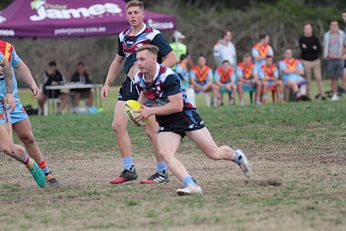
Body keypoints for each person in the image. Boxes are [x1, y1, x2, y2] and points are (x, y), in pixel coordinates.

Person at [133, 45, 252, 195]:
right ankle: (191, 184)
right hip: (167, 122)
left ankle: (237, 156)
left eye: (142, 59)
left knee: (214, 153)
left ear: (153, 59)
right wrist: (137, 109)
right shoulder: (139, 77)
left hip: (185, 117)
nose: (139, 63)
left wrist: (150, 111)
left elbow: (177, 106)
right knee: (165, 153)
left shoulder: (168, 77)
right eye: (137, 59)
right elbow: (145, 91)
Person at [100, 0, 177, 185]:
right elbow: (118, 61)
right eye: (130, 13)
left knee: (151, 131)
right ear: (126, 16)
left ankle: (162, 172)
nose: (133, 16)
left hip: (147, 87)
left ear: (143, 15)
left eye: (136, 12)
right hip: (128, 85)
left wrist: (153, 74)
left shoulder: (153, 35)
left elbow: (172, 57)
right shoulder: (123, 36)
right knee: (117, 126)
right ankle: (129, 170)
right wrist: (107, 83)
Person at [0, 40, 59, 186]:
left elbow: (19, 66)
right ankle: (30, 163)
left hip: (12, 100)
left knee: (27, 137)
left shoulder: (7, 48)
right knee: (7, 147)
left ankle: (46, 173)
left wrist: (32, 84)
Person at [299, 23, 326, 100]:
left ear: (311, 30)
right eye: (306, 29)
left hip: (316, 61)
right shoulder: (301, 39)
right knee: (308, 80)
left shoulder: (315, 39)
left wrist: (308, 48)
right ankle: (309, 96)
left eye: (309, 29)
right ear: (304, 30)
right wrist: (312, 48)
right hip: (306, 61)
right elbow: (303, 50)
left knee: (318, 78)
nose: (307, 30)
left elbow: (319, 49)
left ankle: (322, 94)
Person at [322, 20, 346, 101]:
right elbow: (324, 47)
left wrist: (342, 54)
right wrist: (329, 55)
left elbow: (345, 45)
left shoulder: (342, 34)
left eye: (336, 25)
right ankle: (334, 94)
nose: (334, 27)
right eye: (332, 25)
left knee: (343, 77)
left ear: (338, 26)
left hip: (340, 58)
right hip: (330, 59)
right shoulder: (326, 35)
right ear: (330, 26)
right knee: (333, 78)